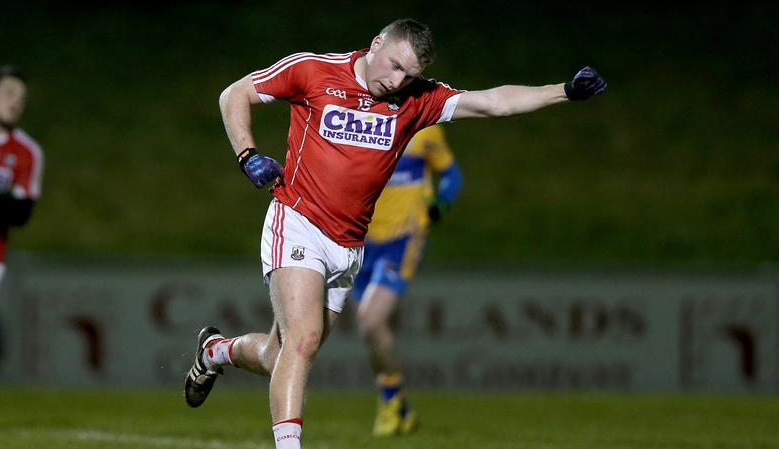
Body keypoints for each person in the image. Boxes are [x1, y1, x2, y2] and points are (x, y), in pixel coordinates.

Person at [184, 18, 606, 449]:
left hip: (349, 245)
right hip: (298, 220)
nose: (397, 80)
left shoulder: (417, 99)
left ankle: (215, 350)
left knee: (282, 355)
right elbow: (235, 94)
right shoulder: (313, 69)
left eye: (409, 74)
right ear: (376, 44)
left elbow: (493, 102)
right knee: (304, 341)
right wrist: (248, 155)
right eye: (395, 65)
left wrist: (564, 91)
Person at [350, 123, 461, 436]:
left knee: (371, 320)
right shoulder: (361, 124)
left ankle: (391, 400)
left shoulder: (424, 131)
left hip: (403, 237)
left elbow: (452, 174)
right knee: (369, 330)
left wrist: (442, 201)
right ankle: (399, 405)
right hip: (360, 238)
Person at [0, 65, 44, 377]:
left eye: (21, 98)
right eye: (8, 93)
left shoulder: (27, 151)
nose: (16, 102)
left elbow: (21, 213)